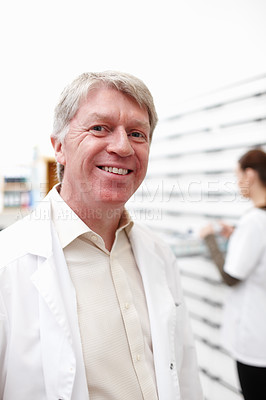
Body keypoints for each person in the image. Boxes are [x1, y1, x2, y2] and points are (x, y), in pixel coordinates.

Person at [0, 71, 203, 400]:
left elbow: (184, 372)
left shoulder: (158, 255)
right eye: (99, 128)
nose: (123, 147)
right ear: (59, 148)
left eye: (137, 133)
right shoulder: (9, 264)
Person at [200, 148, 266, 400]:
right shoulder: (254, 223)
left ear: (250, 174)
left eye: (238, 176)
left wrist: (209, 240)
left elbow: (231, 277)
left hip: (255, 344)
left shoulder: (253, 222)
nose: (238, 183)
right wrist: (237, 236)